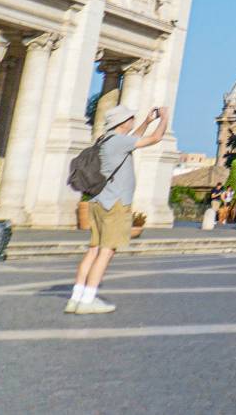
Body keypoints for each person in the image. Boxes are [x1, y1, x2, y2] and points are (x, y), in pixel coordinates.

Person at [68, 105, 168, 315]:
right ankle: (88, 299)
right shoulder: (120, 142)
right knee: (106, 252)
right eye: (131, 118)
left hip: (98, 201)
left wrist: (147, 122)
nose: (132, 121)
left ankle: (76, 297)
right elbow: (156, 139)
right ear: (124, 122)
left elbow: (134, 140)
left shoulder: (107, 140)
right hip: (115, 204)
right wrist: (164, 118)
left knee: (93, 249)